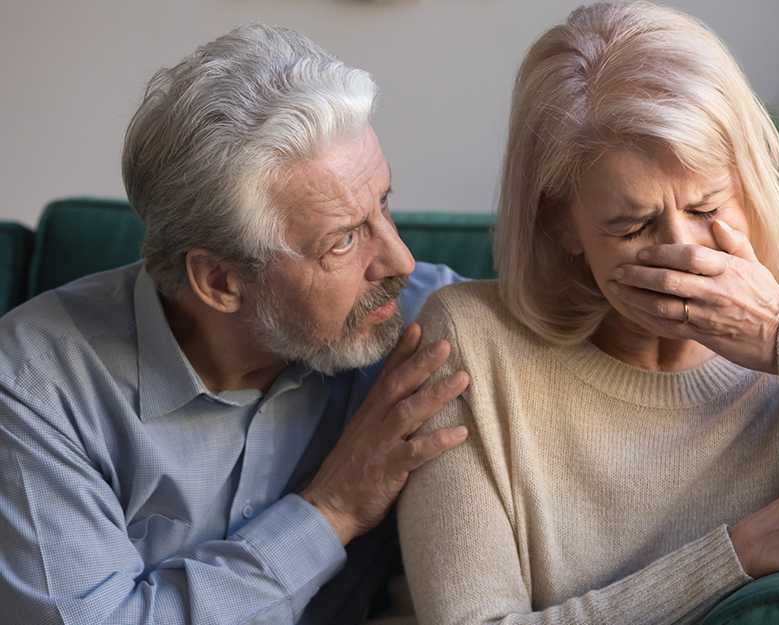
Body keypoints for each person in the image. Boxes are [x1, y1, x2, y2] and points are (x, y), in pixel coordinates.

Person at [396, 3, 779, 624]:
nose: (682, 251)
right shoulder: (470, 344)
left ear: (748, 182)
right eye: (632, 226)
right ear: (560, 222)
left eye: (709, 206)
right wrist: (736, 555)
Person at [0, 23, 473, 625]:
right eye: (344, 241)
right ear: (220, 281)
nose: (399, 260)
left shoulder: (427, 322)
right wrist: (331, 511)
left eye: (383, 204)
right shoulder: (35, 389)